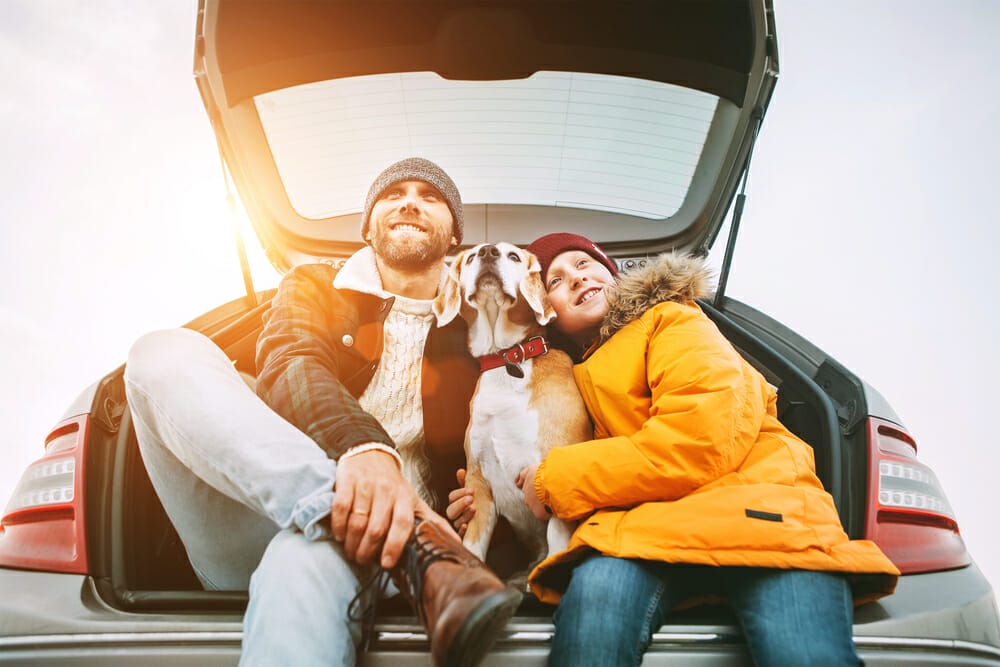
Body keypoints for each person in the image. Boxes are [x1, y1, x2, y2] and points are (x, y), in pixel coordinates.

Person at [123, 157, 521, 667]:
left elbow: (516, 432)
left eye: (430, 196)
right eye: (394, 193)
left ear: (453, 237)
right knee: (162, 352)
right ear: (369, 226)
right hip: (268, 519)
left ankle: (407, 536)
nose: (409, 202)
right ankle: (414, 540)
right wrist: (366, 451)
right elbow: (292, 358)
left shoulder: (480, 325)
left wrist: (484, 498)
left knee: (301, 560)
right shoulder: (316, 284)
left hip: (356, 555)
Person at [502, 232, 898, 665]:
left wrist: (553, 481)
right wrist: (493, 491)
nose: (575, 279)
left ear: (613, 275)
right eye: (556, 280)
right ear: (546, 313)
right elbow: (548, 451)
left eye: (583, 264)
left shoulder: (672, 320)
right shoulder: (566, 380)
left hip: (765, 521)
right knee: (588, 640)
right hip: (640, 537)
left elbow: (699, 438)